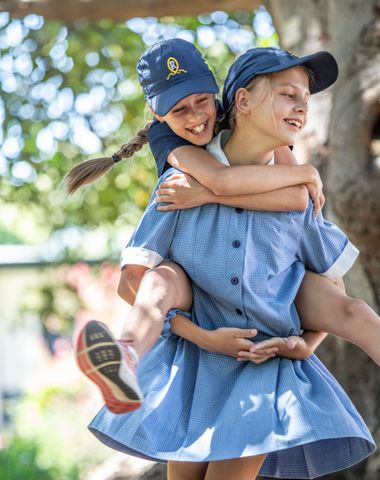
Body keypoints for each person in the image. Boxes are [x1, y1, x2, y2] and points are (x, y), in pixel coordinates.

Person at [87, 47, 376, 479]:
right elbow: (134, 280)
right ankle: (124, 357)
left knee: (357, 313)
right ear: (241, 100)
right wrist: (200, 336)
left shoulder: (298, 194)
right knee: (161, 281)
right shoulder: (181, 180)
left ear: (217, 99)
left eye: (305, 98)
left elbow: (335, 296)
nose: (301, 106)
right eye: (286, 95)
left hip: (258, 362)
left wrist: (307, 344)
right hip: (193, 361)